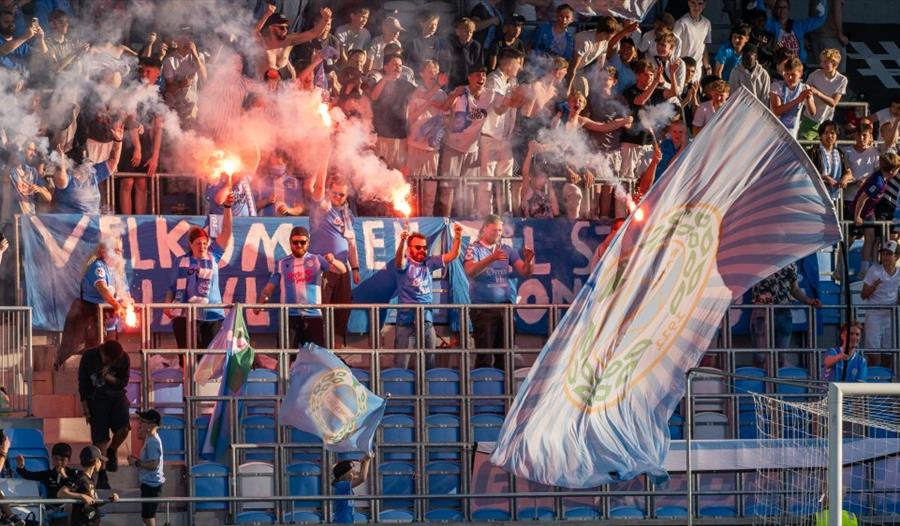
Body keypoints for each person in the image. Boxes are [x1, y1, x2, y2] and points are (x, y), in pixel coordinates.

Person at [165, 193, 234, 351]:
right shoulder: (180, 261)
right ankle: (187, 376)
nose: (202, 246)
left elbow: (227, 233)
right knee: (188, 355)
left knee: (209, 358)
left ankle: (207, 378)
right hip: (185, 314)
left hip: (211, 314)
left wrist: (227, 208)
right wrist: (166, 306)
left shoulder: (214, 256)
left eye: (204, 243)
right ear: (190, 244)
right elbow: (172, 287)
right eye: (198, 243)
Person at [258, 226, 346, 349]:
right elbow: (269, 287)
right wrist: (261, 302)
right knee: (286, 356)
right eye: (295, 242)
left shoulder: (317, 260)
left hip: (313, 316)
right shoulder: (282, 263)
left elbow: (342, 270)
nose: (299, 245)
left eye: (302, 242)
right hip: (289, 316)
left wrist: (333, 261)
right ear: (290, 243)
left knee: (317, 357)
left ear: (308, 243)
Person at [464, 214, 534, 369]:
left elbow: (525, 271)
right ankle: (484, 390)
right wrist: (492, 258)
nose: (498, 233)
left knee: (506, 354)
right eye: (494, 230)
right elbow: (470, 271)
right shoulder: (474, 248)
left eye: (500, 230)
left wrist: (529, 261)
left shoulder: (507, 249)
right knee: (485, 355)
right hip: (483, 309)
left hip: (505, 308)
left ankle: (505, 391)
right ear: (484, 230)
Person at [394, 224, 463, 368]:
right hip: (406, 323)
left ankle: (425, 390)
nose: (422, 250)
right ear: (409, 248)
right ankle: (398, 390)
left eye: (424, 247)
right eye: (418, 247)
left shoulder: (429, 263)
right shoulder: (406, 264)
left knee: (429, 364)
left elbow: (453, 255)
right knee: (401, 364)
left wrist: (457, 236)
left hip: (427, 322)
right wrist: (402, 242)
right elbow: (399, 260)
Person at [56, 236, 129, 369]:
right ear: (104, 251)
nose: (119, 254)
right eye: (116, 250)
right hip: (89, 315)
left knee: (112, 355)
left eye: (120, 250)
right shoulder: (98, 267)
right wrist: (116, 305)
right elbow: (103, 289)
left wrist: (128, 303)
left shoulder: (118, 271)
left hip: (109, 320)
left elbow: (125, 294)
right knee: (92, 353)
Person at [309, 177, 361, 348]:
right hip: (324, 267)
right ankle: (321, 353)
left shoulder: (347, 214)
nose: (338, 197)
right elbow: (317, 187)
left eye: (342, 194)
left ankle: (336, 356)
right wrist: (325, 156)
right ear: (328, 192)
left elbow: (351, 243)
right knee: (322, 313)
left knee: (341, 312)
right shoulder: (323, 208)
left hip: (343, 270)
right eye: (335, 193)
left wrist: (355, 268)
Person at [477, 48, 525, 216]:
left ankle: (506, 214)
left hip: (505, 139)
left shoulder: (512, 82)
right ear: (508, 62)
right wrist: (512, 100)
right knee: (487, 181)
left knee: (506, 179)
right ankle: (486, 215)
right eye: (518, 63)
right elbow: (498, 110)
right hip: (489, 138)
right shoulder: (492, 80)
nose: (520, 67)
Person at [77, 341, 130, 490]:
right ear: (102, 352)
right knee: (100, 440)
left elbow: (122, 382)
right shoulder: (89, 356)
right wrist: (85, 405)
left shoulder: (123, 358)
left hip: (117, 398)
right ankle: (102, 474)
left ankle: (112, 450)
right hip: (97, 400)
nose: (111, 362)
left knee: (124, 429)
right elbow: (83, 382)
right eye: (108, 359)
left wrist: (108, 377)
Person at [749, 262, 820, 367]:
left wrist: (808, 300)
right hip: (761, 311)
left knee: (781, 358)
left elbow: (795, 289)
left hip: (783, 311)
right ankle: (760, 382)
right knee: (761, 357)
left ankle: (778, 382)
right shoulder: (758, 259)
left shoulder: (790, 263)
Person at [406, 60, 448, 216]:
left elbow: (446, 118)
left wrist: (441, 123)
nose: (434, 75)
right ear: (422, 74)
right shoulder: (416, 91)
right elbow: (411, 118)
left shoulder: (442, 94)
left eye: (436, 71)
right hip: (415, 146)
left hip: (432, 149)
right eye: (430, 71)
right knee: (413, 192)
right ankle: (410, 223)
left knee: (429, 194)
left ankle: (428, 225)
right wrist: (428, 103)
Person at [53, 122, 123, 214]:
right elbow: (61, 181)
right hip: (68, 225)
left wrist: (118, 141)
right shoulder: (68, 177)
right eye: (83, 162)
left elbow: (113, 161)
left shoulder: (93, 174)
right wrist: (61, 162)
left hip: (91, 224)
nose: (86, 165)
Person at [852, 153, 900, 278]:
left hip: (869, 212)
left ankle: (872, 268)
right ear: (892, 171)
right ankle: (864, 271)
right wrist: (857, 216)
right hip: (860, 212)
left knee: (873, 239)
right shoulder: (878, 182)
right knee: (866, 240)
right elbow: (862, 198)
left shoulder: (882, 179)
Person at [370, 53, 417, 172]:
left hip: (400, 137)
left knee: (397, 173)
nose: (398, 68)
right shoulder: (379, 83)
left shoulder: (406, 86)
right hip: (381, 136)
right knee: (379, 172)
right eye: (394, 65)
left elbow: (421, 96)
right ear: (386, 67)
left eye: (400, 66)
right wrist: (385, 79)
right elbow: (373, 97)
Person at [16, 442, 82, 521]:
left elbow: (75, 485)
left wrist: (64, 476)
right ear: (52, 458)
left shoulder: (74, 473)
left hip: (70, 510)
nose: (59, 463)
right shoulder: (47, 475)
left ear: (69, 459)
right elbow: (28, 475)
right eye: (56, 459)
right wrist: (21, 466)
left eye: (62, 460)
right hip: (52, 511)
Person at [59, 446, 120, 526]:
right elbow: (61, 493)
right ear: (96, 461)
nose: (101, 463)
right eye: (100, 461)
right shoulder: (80, 477)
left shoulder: (90, 479)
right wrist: (81, 496)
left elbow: (95, 502)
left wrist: (110, 499)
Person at [799, 48, 847, 141]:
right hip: (809, 118)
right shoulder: (815, 74)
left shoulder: (842, 80)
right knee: (804, 145)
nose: (821, 64)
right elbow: (805, 90)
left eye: (825, 62)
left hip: (826, 121)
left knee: (822, 150)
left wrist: (817, 93)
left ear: (834, 64)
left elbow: (833, 103)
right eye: (822, 61)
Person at [860, 241, 900, 351]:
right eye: (883, 254)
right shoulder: (874, 270)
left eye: (889, 254)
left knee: (889, 352)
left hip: (891, 316)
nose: (885, 257)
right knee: (873, 352)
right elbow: (863, 295)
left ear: (896, 256)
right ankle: (874, 369)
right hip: (874, 315)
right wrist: (873, 286)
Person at [129, 409, 165, 526]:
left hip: (152, 485)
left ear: (151, 425)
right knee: (146, 517)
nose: (140, 424)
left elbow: (153, 464)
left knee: (148, 517)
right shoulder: (149, 440)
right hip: (148, 484)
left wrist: (137, 463)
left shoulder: (153, 442)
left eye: (143, 421)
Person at [764, 0, 827, 65]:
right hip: (780, 66)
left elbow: (820, 19)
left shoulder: (798, 26)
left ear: (788, 9)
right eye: (779, 7)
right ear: (775, 10)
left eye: (784, 7)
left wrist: (822, 1)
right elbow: (760, 14)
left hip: (798, 65)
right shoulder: (771, 26)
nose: (782, 10)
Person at [769, 57, 815, 138]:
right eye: (787, 74)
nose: (789, 78)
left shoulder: (804, 88)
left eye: (793, 75)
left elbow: (813, 113)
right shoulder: (776, 86)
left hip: (792, 133)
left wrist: (808, 98)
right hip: (774, 132)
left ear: (800, 74)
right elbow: (777, 111)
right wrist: (798, 99)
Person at [808, 120, 852, 202]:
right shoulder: (813, 152)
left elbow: (849, 172)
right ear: (821, 135)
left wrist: (844, 178)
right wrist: (826, 178)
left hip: (834, 198)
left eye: (832, 133)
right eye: (826, 133)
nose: (829, 136)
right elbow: (808, 174)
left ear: (836, 136)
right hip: (816, 196)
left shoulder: (839, 153)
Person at [673, 0, 711, 82]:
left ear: (704, 5)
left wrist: (707, 67)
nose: (696, 7)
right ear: (688, 3)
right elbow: (672, 47)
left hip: (697, 71)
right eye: (693, 3)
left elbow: (704, 47)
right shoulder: (681, 23)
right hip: (682, 69)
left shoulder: (707, 23)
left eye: (700, 3)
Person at [519, 141, 559, 218]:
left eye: (544, 178)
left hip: (547, 225)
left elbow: (556, 211)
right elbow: (525, 172)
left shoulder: (546, 195)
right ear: (533, 177)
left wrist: (550, 185)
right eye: (540, 177)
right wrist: (530, 152)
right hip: (532, 226)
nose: (543, 181)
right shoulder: (527, 192)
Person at [332, 453, 373, 524]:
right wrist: (367, 461)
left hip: (347, 521)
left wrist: (363, 463)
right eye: (352, 473)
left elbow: (360, 476)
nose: (355, 475)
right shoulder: (341, 485)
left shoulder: (343, 485)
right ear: (342, 475)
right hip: (342, 522)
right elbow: (362, 478)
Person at [444, 18, 483, 90]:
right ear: (458, 32)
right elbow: (447, 66)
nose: (468, 34)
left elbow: (479, 66)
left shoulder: (476, 46)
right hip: (453, 83)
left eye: (471, 32)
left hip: (469, 83)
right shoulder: (451, 44)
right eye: (466, 31)